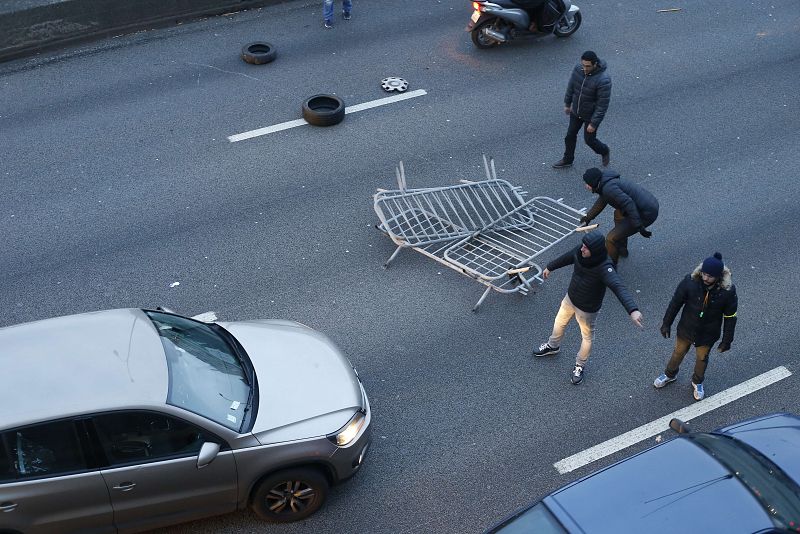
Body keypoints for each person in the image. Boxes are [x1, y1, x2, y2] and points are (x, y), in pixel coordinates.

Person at [532, 231, 643, 384]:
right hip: (570, 298)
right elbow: (566, 257)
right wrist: (550, 267)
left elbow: (618, 287)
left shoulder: (605, 267)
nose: (582, 249)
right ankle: (553, 346)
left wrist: (633, 310)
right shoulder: (580, 251)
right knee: (559, 322)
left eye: (586, 248)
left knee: (587, 337)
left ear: (595, 251)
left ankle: (580, 365)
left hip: (587, 309)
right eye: (583, 245)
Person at [654, 253, 738, 401]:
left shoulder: (727, 291)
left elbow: (730, 317)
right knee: (678, 352)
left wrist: (727, 340)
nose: (706, 278)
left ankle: (697, 381)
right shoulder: (690, 282)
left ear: (718, 277)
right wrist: (666, 323)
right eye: (704, 274)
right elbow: (675, 303)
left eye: (710, 276)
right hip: (686, 328)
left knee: (702, 358)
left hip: (707, 334)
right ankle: (670, 374)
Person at [579, 167, 659, 264]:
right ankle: (621, 248)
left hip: (646, 213)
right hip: (648, 204)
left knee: (610, 238)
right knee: (618, 214)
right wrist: (588, 217)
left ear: (594, 183)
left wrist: (639, 226)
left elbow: (629, 203)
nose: (586, 186)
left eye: (587, 183)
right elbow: (602, 201)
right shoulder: (605, 183)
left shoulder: (608, 189)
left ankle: (610, 268)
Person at [553, 51, 612, 169]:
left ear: (595, 64)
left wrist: (594, 123)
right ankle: (568, 159)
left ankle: (604, 150)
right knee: (570, 136)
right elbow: (571, 86)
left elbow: (602, 105)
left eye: (588, 66)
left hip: (590, 115)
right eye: (583, 65)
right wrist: (567, 103)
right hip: (576, 111)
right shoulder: (578, 69)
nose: (584, 68)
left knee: (589, 140)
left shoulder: (603, 80)